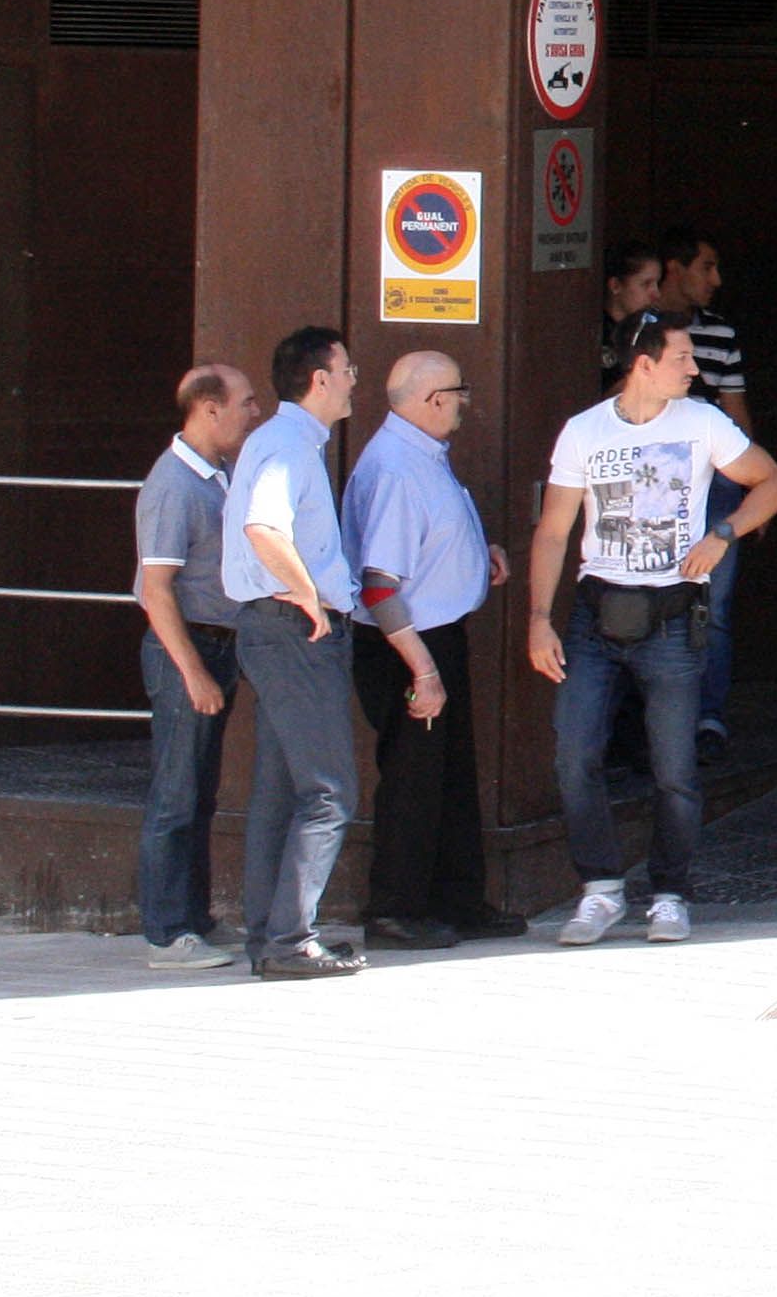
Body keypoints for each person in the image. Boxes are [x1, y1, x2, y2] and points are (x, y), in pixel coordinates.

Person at [527, 312, 777, 946]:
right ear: (643, 364)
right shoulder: (583, 432)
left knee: (674, 767)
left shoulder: (702, 422)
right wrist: (539, 620)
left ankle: (671, 892)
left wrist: (724, 534)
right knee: (574, 754)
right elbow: (554, 531)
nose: (695, 369)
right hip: (598, 612)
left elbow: (775, 482)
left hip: (673, 616)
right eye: (682, 358)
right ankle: (601, 888)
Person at [224, 327, 440, 978]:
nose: (354, 379)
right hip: (293, 631)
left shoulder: (284, 442)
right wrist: (310, 597)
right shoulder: (288, 446)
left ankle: (271, 937)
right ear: (320, 379)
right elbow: (263, 527)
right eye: (346, 369)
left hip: (275, 628)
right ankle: (289, 942)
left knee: (281, 792)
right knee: (328, 794)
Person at [342, 351, 522, 950]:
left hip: (436, 634)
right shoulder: (396, 467)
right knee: (415, 778)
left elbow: (425, 539)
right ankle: (395, 908)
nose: (466, 402)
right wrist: (422, 669)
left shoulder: (418, 454)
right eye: (459, 391)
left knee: (448, 776)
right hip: (408, 644)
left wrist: (475, 552)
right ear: (432, 400)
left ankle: (456, 899)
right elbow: (378, 584)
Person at [127, 362, 262, 970]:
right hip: (189, 648)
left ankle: (194, 919)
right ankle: (166, 934)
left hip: (219, 643)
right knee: (176, 797)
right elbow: (156, 590)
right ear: (209, 409)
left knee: (199, 793)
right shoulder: (174, 485)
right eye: (245, 403)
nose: (253, 413)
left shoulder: (221, 474)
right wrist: (193, 672)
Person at [656, 226, 753, 764]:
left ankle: (708, 717)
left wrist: (751, 489)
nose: (715, 280)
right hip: (655, 482)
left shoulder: (720, 334)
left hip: (716, 481)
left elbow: (736, 414)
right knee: (650, 599)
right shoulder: (640, 332)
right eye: (706, 266)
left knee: (712, 606)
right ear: (676, 269)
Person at [596, 241, 662, 390]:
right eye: (646, 284)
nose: (656, 294)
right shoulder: (595, 333)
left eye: (657, 283)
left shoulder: (653, 329)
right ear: (615, 286)